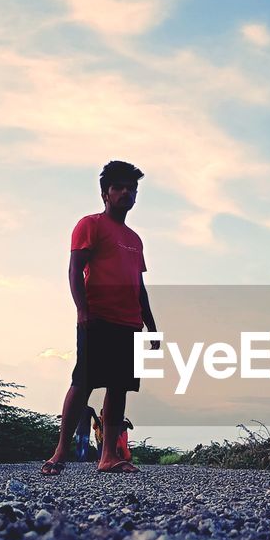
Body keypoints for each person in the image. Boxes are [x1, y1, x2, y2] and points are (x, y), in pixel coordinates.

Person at [41, 160, 159, 476]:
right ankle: (60, 453)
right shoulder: (90, 225)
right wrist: (82, 310)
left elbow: (139, 285)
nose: (126, 193)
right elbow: (74, 270)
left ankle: (108, 457)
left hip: (129, 323)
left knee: (118, 388)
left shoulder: (135, 239)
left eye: (131, 188)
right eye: (119, 187)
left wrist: (151, 326)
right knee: (84, 383)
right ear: (105, 193)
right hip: (98, 318)